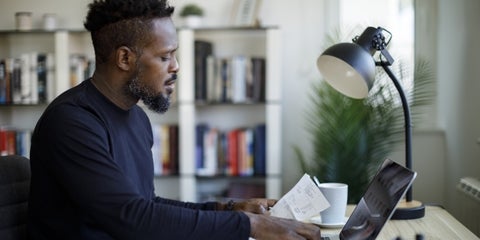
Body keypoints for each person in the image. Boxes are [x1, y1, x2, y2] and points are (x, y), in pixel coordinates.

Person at [27, 0, 321, 239]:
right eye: (166, 56)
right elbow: (132, 219)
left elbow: (148, 206)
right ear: (125, 59)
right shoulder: (72, 123)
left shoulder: (136, 118)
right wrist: (250, 225)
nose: (176, 66)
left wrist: (230, 208)